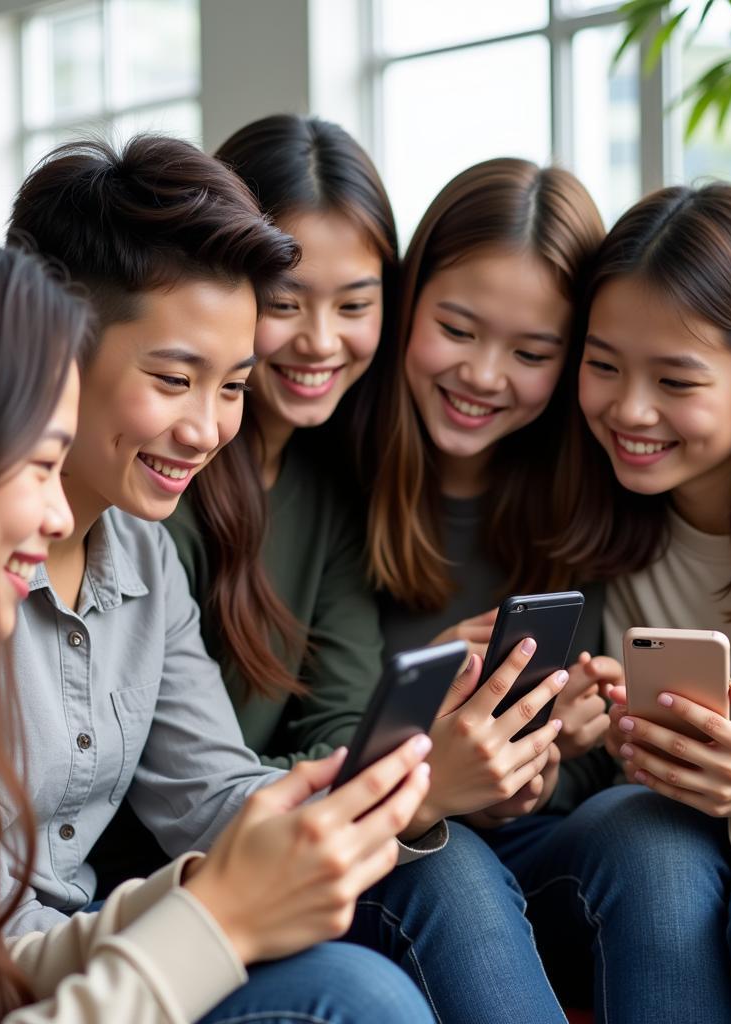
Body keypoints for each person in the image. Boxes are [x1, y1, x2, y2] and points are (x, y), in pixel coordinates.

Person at [0, 212, 435, 1024]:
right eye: (37, 464)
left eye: (233, 383)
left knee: (362, 976)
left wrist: (207, 894)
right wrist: (218, 920)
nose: (61, 515)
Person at [1, 134, 443, 1021]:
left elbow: (212, 794)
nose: (207, 430)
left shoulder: (140, 554)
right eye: (174, 379)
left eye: (234, 386)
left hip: (92, 938)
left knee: (395, 935)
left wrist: (408, 773)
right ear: (50, 346)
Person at [167, 117, 579, 1023]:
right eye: (286, 301)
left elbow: (341, 716)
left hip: (297, 831)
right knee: (442, 862)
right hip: (186, 871)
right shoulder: (170, 478)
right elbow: (192, 790)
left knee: (452, 857)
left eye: (354, 304)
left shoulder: (324, 473)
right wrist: (423, 762)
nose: (319, 341)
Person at [490, 182, 731, 1023]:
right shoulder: (585, 524)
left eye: (676, 379)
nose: (629, 410)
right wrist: (561, 737)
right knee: (646, 827)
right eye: (602, 366)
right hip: (649, 862)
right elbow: (576, 793)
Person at [365, 157, 618, 819]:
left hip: (533, 830)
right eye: (456, 330)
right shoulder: (339, 475)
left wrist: (548, 753)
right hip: (389, 819)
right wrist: (420, 694)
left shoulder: (591, 493)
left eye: (530, 354)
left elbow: (588, 770)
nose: (481, 375)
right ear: (406, 301)